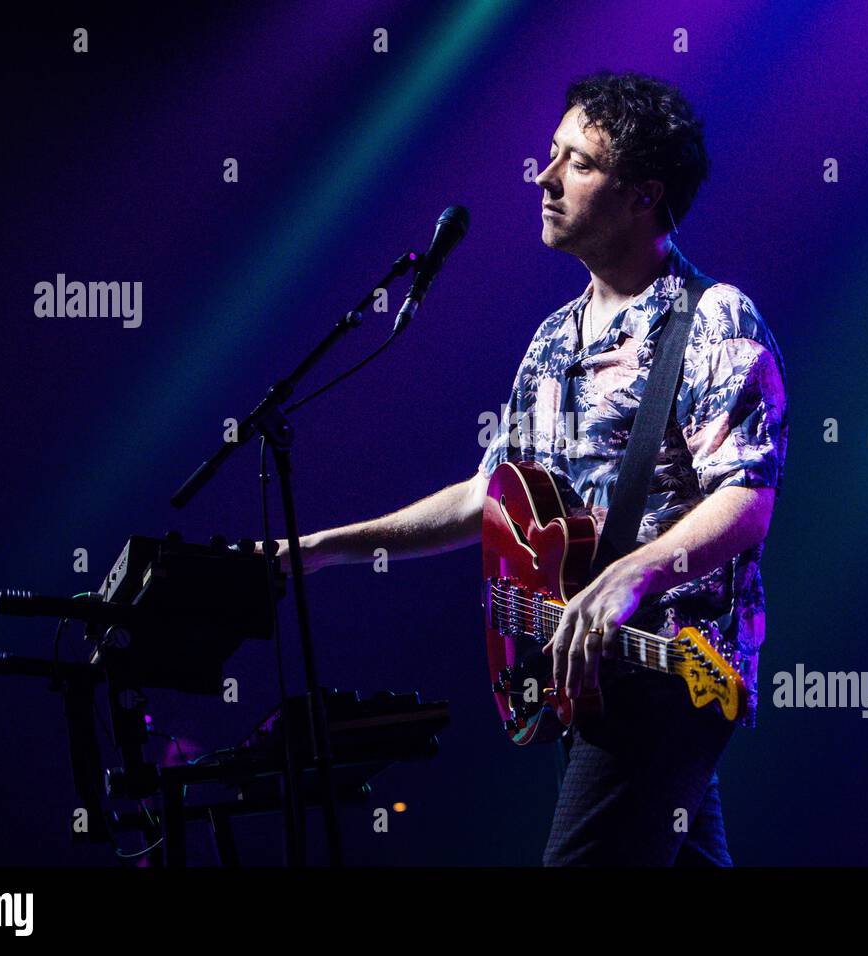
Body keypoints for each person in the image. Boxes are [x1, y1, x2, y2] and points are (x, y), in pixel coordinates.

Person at [272, 71, 788, 865]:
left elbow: (747, 496)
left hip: (666, 673)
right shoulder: (553, 337)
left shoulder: (713, 318)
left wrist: (637, 575)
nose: (544, 178)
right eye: (551, 155)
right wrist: (326, 546)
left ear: (643, 195)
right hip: (581, 670)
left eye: (577, 163)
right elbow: (489, 494)